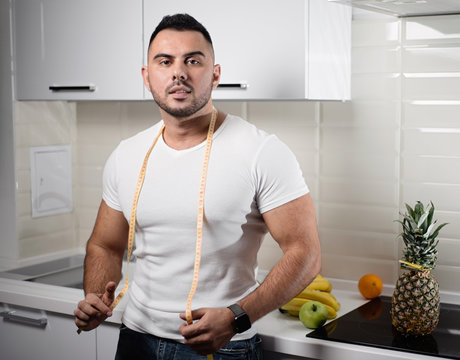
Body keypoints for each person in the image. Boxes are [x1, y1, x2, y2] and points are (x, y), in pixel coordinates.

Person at [74, 13, 321, 360]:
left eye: (193, 60)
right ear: (147, 77)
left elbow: (305, 253)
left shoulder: (262, 152)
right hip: (135, 341)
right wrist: (96, 297)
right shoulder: (126, 154)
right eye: (165, 61)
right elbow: (105, 245)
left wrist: (236, 318)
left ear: (215, 74)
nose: (179, 72)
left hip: (223, 347)